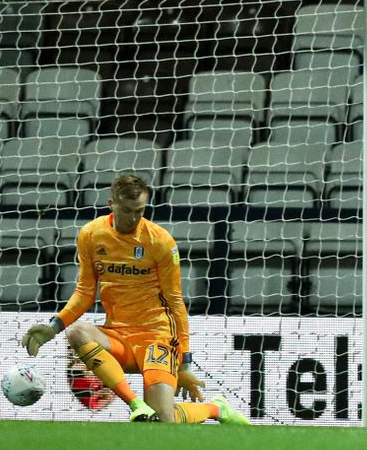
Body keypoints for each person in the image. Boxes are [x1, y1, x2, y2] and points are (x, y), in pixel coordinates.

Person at [21, 175, 248, 425]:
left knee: (164, 421)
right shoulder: (91, 235)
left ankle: (216, 409)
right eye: (127, 211)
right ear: (111, 204)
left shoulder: (159, 241)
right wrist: (54, 327)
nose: (133, 218)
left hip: (157, 338)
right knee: (77, 333)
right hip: (118, 339)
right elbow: (85, 292)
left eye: (139, 211)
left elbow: (176, 302)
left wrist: (185, 362)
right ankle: (135, 404)